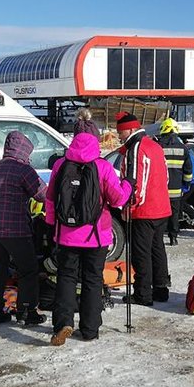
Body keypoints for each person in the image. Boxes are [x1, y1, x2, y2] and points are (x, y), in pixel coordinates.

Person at [45, 132, 132, 346]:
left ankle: (63, 323)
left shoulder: (60, 165)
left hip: (66, 235)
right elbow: (118, 198)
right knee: (92, 280)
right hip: (96, 236)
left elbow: (50, 198)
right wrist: (128, 184)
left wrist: (51, 225)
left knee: (66, 278)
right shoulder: (102, 167)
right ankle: (90, 329)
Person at [0, 130, 47, 325]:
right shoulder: (23, 170)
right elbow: (42, 194)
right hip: (16, 230)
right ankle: (26, 311)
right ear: (24, 150)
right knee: (28, 269)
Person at [116, 111, 171, 305]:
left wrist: (128, 205)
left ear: (130, 130)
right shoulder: (154, 145)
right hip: (161, 206)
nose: (118, 136)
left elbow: (134, 181)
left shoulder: (136, 148)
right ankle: (161, 288)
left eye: (120, 132)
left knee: (141, 253)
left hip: (144, 209)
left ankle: (142, 293)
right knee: (157, 249)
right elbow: (165, 177)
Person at [156, 117, 194, 245]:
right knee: (174, 214)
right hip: (176, 189)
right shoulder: (183, 148)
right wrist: (186, 184)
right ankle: (173, 238)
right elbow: (188, 170)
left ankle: (159, 237)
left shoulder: (158, 147)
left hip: (160, 189)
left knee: (160, 215)